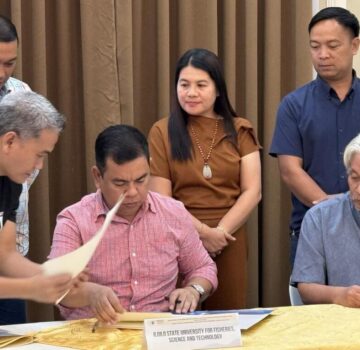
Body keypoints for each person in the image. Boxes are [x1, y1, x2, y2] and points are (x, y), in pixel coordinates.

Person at [48, 124, 217, 323]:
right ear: (97, 177)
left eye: (141, 180)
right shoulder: (74, 221)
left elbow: (203, 267)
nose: (132, 192)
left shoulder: (173, 213)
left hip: (158, 332)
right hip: (96, 334)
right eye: (120, 184)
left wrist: (193, 290)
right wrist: (90, 293)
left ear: (150, 168)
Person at [148, 48, 261, 310]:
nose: (191, 92)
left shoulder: (241, 129)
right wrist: (202, 234)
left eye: (201, 85)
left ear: (218, 89)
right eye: (184, 84)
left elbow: (252, 191)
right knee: (178, 318)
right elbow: (161, 198)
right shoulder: (162, 131)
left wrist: (219, 233)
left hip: (229, 237)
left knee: (227, 319)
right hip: (177, 236)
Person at [269, 7, 360, 267]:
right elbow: (290, 171)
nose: (323, 55)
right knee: (313, 306)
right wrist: (333, 211)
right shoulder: (293, 105)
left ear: (354, 45)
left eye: (332, 45)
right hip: (311, 228)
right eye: (315, 46)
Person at [0, 90, 82, 308]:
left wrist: (54, 277)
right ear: (10, 141)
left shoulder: (11, 179)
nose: (39, 166)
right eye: (39, 155)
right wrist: (30, 288)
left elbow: (6, 254)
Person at [292, 133, 360, 307]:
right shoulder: (320, 217)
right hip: (338, 325)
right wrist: (341, 295)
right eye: (354, 178)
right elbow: (306, 288)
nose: (358, 190)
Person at [0, 15, 36, 324]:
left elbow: (33, 162)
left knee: (14, 338)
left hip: (12, 249)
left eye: (9, 63)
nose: (2, 73)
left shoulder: (23, 94)